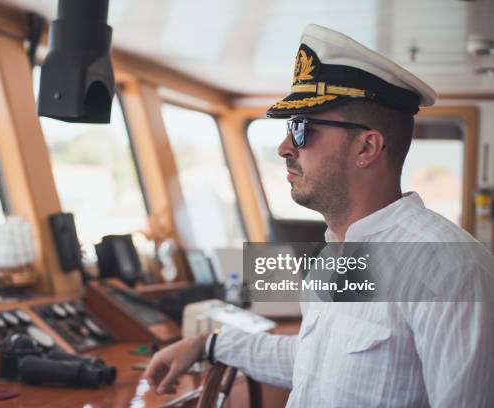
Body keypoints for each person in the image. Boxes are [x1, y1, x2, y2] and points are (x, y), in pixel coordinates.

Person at [144, 24, 494, 407]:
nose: (283, 147)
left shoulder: (451, 270)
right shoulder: (338, 255)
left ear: (366, 147)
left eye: (300, 129)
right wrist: (209, 343)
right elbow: (318, 362)